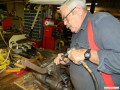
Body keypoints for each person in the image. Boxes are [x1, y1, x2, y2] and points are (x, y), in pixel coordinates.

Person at [54, 0, 120, 90]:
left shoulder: (101, 22)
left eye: (66, 18)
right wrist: (68, 59)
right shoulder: (77, 31)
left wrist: (87, 53)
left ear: (78, 10)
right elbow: (85, 60)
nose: (65, 23)